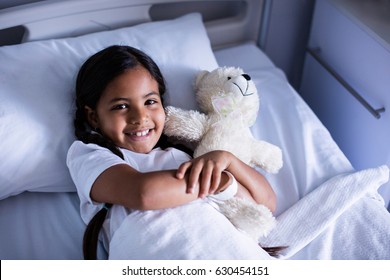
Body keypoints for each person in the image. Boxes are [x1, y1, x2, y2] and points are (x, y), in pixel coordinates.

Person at [66, 45, 277, 260]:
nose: (140, 117)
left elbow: (265, 204)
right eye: (121, 106)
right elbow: (144, 193)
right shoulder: (89, 155)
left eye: (150, 102)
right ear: (93, 117)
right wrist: (214, 181)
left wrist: (227, 160)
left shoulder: (183, 155)